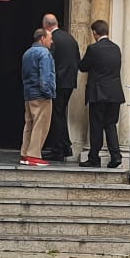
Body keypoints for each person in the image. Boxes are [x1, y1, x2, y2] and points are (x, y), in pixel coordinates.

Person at [80, 19, 124, 168]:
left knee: (96, 125)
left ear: (94, 33)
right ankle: (116, 156)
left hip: (98, 93)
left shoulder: (93, 49)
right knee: (111, 124)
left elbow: (83, 67)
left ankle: (94, 157)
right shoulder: (116, 48)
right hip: (115, 94)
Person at [42, 12, 80, 163]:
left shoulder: (52, 39)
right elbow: (77, 59)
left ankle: (57, 149)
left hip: (57, 82)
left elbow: (49, 62)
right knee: (60, 114)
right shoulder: (70, 38)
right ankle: (65, 146)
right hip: (69, 82)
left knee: (56, 116)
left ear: (45, 26)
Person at [19, 27, 55, 167]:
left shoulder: (27, 53)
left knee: (29, 124)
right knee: (40, 125)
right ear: (42, 38)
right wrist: (48, 93)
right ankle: (34, 155)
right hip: (41, 94)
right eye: (49, 38)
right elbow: (45, 76)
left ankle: (25, 152)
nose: (51, 42)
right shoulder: (44, 53)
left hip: (29, 93)